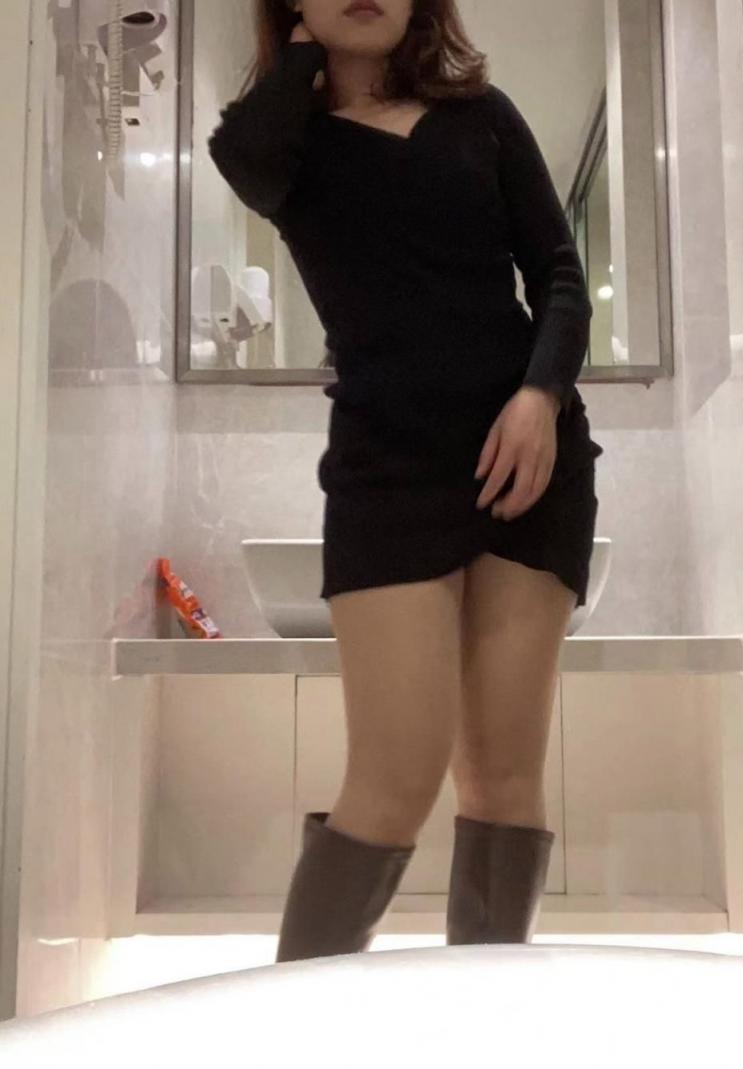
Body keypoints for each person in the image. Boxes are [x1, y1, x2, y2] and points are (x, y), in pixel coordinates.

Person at [208, 0, 604, 963]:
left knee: (504, 778)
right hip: (386, 465)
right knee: (391, 785)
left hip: (527, 459)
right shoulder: (281, 144)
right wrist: (300, 53)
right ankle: (296, 1020)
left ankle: (482, 1013)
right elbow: (243, 159)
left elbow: (558, 274)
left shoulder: (482, 116)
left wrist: (540, 397)